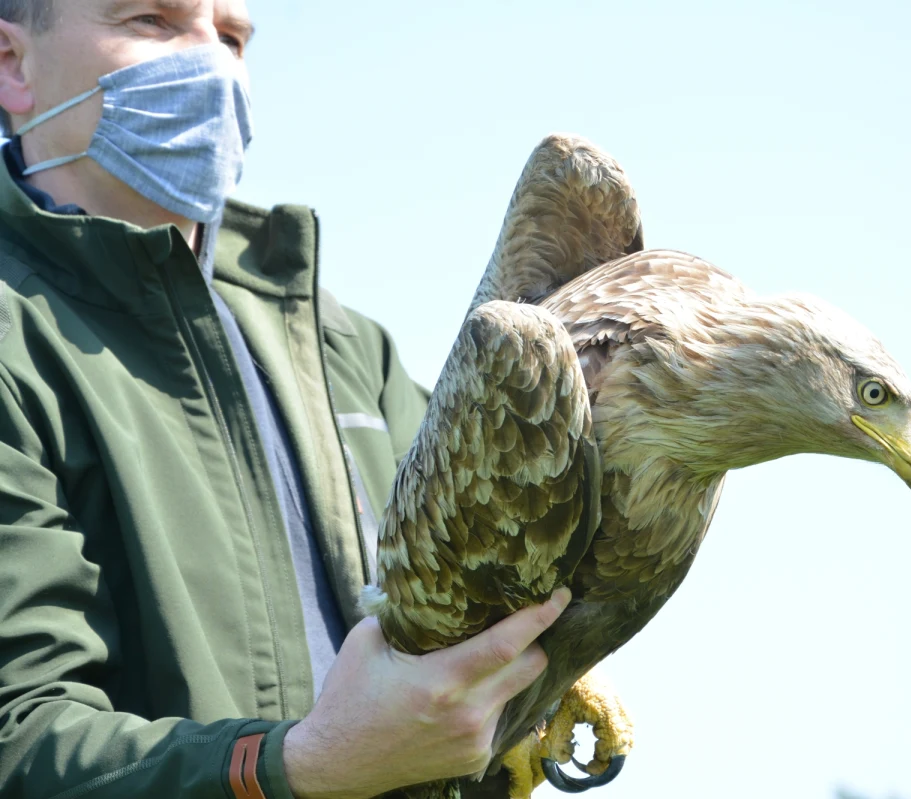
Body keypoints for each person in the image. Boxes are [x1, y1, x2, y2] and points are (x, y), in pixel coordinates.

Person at [0, 2, 569, 797]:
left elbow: (489, 590)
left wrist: (550, 680)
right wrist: (292, 765)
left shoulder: (342, 344)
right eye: (153, 21)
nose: (210, 64)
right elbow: (19, 740)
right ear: (12, 65)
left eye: (232, 38)